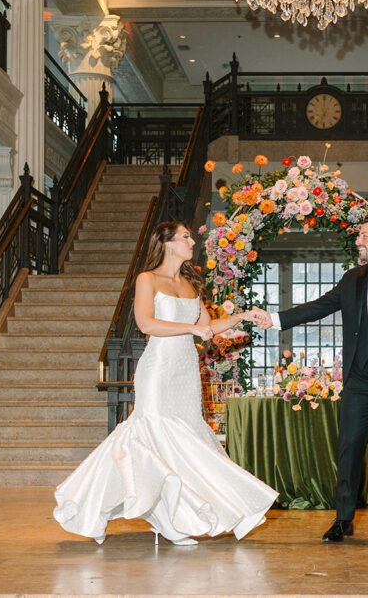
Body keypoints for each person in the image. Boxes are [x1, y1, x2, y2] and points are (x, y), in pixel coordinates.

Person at [53, 222, 277, 545]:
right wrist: (190, 330)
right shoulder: (147, 279)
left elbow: (208, 327)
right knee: (152, 434)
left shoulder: (190, 285)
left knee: (186, 441)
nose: (192, 240)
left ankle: (171, 517)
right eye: (185, 236)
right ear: (168, 244)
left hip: (186, 371)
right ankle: (136, 512)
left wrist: (242, 317)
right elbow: (146, 323)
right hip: (158, 369)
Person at [254, 213, 368, 546]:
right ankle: (343, 520)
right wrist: (275, 319)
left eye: (364, 235)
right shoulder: (352, 278)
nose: (358, 240)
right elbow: (319, 307)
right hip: (358, 379)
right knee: (349, 449)